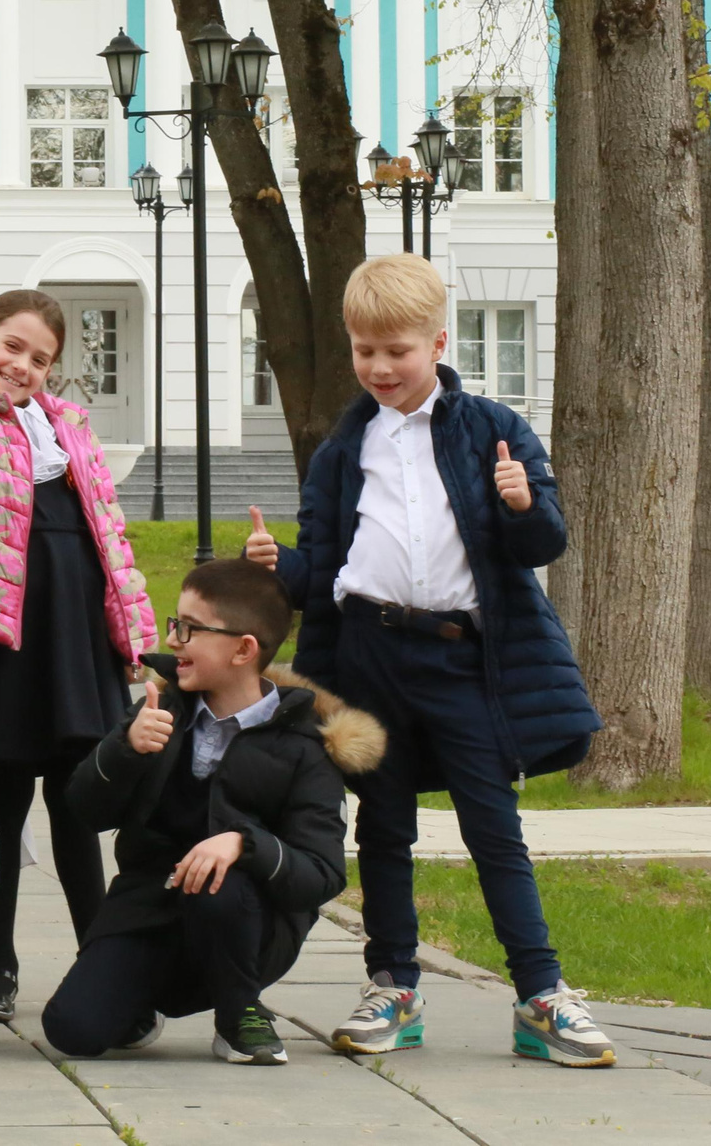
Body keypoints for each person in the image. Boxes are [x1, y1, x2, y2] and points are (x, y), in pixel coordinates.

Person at [244, 252, 612, 1068]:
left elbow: (543, 541)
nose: (379, 366)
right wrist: (279, 564)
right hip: (369, 658)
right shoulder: (344, 449)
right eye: (364, 350)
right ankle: (393, 985)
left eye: (397, 350)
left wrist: (522, 502)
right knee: (383, 827)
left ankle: (541, 992)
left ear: (438, 343)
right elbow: (325, 568)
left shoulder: (493, 428)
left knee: (494, 828)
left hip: (462, 660)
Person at [0, 287, 157, 1025]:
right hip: (8, 634)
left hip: (76, 631)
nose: (22, 365)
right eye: (11, 347)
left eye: (40, 358)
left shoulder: (71, 427)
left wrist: (131, 632)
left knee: (78, 803)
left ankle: (97, 962)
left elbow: (110, 533)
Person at [40, 559, 382, 1065]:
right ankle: (140, 1005)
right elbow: (85, 812)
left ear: (243, 650)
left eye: (190, 628)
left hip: (248, 920)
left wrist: (246, 844)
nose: (172, 639)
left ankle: (239, 1010)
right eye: (174, 624)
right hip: (149, 908)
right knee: (72, 1029)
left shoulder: (305, 747)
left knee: (220, 885)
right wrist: (126, 749)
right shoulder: (160, 710)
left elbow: (322, 875)